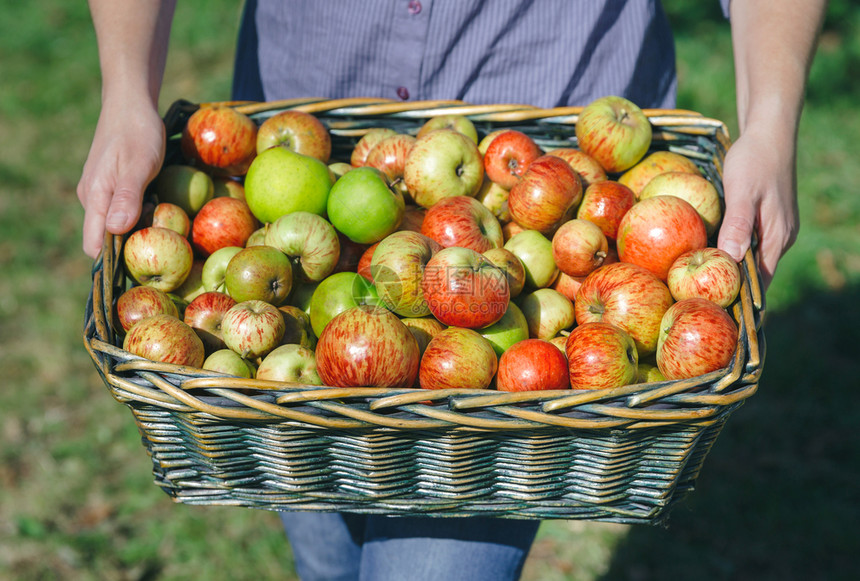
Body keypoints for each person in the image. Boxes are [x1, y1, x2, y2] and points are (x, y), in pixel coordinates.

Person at [77, 1, 827, 579]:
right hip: (302, 135)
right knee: (328, 552)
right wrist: (123, 89)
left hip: (559, 138)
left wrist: (771, 123)